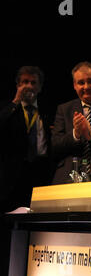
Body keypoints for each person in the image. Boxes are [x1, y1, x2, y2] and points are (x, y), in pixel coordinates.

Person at [0, 66, 52, 211]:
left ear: (40, 87)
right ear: (18, 85)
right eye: (24, 82)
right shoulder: (7, 108)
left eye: (33, 82)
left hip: (40, 172)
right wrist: (16, 101)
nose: (29, 86)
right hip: (12, 175)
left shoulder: (47, 111)